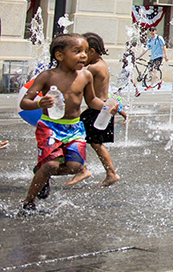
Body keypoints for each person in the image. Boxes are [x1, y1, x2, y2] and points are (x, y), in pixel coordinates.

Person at [18, 34, 107, 212]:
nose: (83, 55)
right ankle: (29, 201)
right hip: (50, 127)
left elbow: (91, 101)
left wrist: (108, 107)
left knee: (75, 167)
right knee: (51, 164)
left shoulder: (86, 76)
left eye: (85, 51)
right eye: (77, 51)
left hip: (75, 128)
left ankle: (41, 172)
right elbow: (24, 103)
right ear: (59, 56)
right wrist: (39, 103)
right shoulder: (47, 76)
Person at [70, 33, 125, 187]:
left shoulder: (93, 68)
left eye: (83, 52)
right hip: (103, 107)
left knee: (77, 136)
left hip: (98, 109)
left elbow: (76, 79)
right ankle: (108, 173)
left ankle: (88, 170)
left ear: (92, 51)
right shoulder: (102, 63)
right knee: (94, 142)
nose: (81, 56)